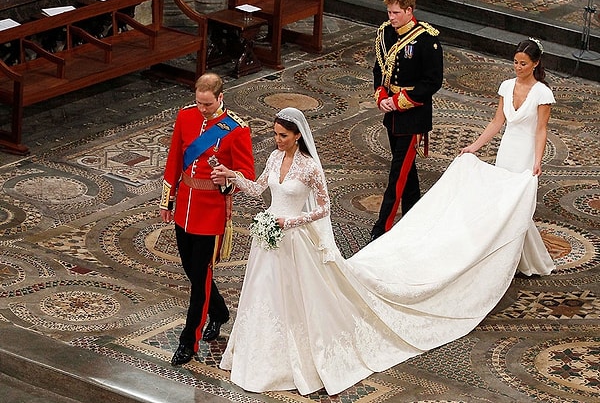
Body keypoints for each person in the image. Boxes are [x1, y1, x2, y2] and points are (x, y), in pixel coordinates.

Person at [210, 108, 544, 396]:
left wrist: (291, 221)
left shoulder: (310, 168)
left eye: (282, 135)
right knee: (262, 296)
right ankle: (258, 356)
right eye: (275, 134)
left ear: (297, 136)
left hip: (295, 240)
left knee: (298, 299)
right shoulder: (272, 158)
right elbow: (257, 189)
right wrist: (233, 176)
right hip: (268, 241)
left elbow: (323, 209)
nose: (276, 140)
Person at [159, 72, 255, 367]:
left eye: (208, 104)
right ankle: (220, 311)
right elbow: (175, 157)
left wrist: (227, 178)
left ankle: (189, 340)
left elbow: (247, 176)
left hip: (211, 211)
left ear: (220, 97)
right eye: (199, 103)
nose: (202, 109)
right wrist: (168, 199)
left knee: (200, 277)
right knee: (190, 268)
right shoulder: (185, 117)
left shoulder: (236, 130)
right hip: (186, 203)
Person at [461, 38, 555, 276]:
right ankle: (506, 258)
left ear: (535, 64)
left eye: (523, 63)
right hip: (507, 150)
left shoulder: (542, 93)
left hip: (525, 153)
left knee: (516, 205)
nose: (518, 67)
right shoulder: (506, 86)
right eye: (515, 62)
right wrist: (475, 146)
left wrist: (537, 161)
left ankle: (512, 260)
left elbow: (541, 129)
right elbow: (497, 121)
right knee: (502, 204)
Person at [370, 0, 444, 241]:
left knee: (397, 174)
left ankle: (382, 230)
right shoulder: (386, 33)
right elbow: (379, 68)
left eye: (395, 13)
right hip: (392, 115)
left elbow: (432, 82)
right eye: (389, 12)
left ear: (409, 11)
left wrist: (400, 101)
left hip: (413, 116)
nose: (391, 18)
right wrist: (382, 95)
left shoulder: (426, 40)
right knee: (407, 173)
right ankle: (416, 219)